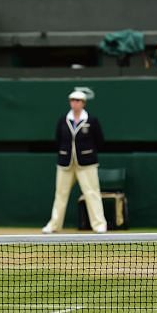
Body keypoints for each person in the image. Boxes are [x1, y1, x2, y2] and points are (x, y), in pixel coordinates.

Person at [42, 90, 107, 234]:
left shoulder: (92, 120)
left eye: (78, 100)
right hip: (65, 163)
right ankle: (54, 225)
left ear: (83, 103)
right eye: (72, 100)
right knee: (60, 194)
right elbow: (58, 140)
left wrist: (87, 153)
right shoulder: (63, 120)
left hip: (87, 164)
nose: (75, 103)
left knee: (92, 193)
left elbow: (100, 141)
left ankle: (99, 225)